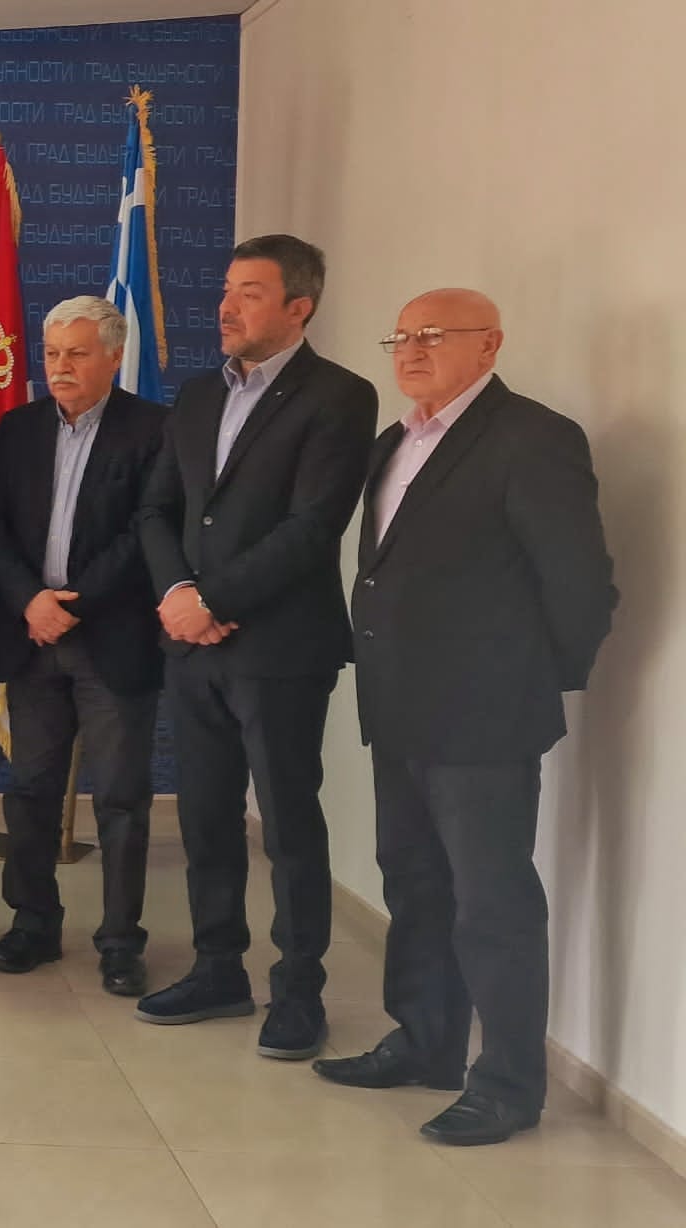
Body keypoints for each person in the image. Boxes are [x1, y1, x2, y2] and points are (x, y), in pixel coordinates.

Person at [313, 289, 614, 1146]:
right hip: (399, 704)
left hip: (485, 717)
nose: (411, 350)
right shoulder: (394, 441)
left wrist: (531, 681)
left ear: (490, 345)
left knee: (492, 902)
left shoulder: (532, 437)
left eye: (433, 335)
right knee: (413, 883)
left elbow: (581, 584)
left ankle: (509, 1086)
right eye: (401, 336)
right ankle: (425, 1042)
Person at [132, 235, 377, 1059]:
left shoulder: (339, 396)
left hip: (279, 649)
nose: (226, 307)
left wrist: (214, 601)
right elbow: (157, 511)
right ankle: (217, 969)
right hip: (192, 646)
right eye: (227, 289)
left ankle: (299, 992)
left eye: (250, 293)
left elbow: (313, 526)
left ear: (299, 308)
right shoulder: (200, 394)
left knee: (288, 824)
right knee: (205, 818)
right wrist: (179, 596)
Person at [0, 295, 166, 995]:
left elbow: (148, 530)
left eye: (77, 354)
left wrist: (71, 603)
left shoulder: (154, 428)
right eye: (52, 354)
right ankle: (33, 924)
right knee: (30, 792)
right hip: (34, 637)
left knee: (119, 799)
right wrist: (32, 600)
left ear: (114, 356)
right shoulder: (19, 428)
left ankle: (120, 941)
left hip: (112, 639)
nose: (61, 367)